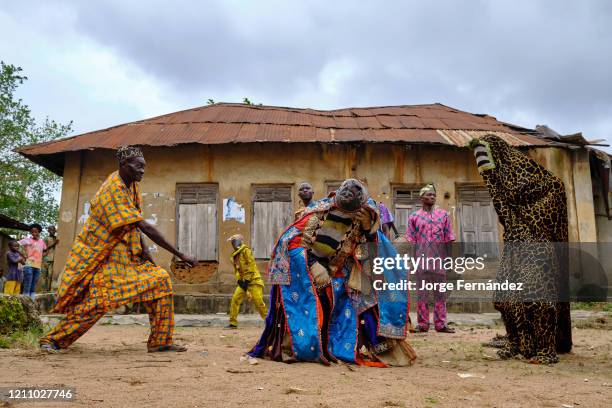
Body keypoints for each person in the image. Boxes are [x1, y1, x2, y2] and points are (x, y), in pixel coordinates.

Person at [39, 145, 196, 353]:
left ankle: (161, 340)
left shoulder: (132, 185)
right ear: (123, 164)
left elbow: (133, 222)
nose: (142, 171)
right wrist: (180, 254)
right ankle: (53, 339)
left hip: (126, 254)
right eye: (138, 166)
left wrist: (146, 254)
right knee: (101, 299)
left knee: (160, 280)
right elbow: (144, 225)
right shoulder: (113, 188)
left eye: (144, 167)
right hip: (102, 255)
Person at [250, 179, 416, 366]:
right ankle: (303, 346)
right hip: (307, 271)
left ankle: (370, 345)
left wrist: (369, 229)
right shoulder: (318, 212)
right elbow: (289, 243)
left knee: (367, 298)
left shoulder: (365, 216)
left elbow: (369, 250)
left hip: (342, 272)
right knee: (314, 304)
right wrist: (313, 265)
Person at [407, 183, 456, 333]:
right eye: (429, 195)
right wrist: (411, 261)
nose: (432, 197)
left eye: (434, 195)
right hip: (421, 262)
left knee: (440, 294)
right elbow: (411, 241)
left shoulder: (443, 215)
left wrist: (450, 260)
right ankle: (422, 324)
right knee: (422, 295)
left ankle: (441, 324)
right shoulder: (414, 217)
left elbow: (449, 238)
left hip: (439, 261)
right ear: (421, 198)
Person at [226, 234, 268, 329]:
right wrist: (240, 281)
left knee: (259, 303)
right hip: (243, 282)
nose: (233, 244)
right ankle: (233, 323)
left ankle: (269, 322)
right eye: (232, 242)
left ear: (239, 241)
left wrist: (247, 280)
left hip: (254, 281)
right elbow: (238, 270)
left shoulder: (246, 251)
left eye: (234, 241)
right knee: (235, 299)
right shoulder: (235, 254)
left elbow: (251, 266)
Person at [18, 223, 47, 300]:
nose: (34, 233)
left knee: (33, 285)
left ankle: (32, 302)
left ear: (39, 232)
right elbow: (16, 245)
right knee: (27, 284)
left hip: (38, 266)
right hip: (29, 265)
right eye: (32, 232)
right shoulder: (27, 240)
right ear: (30, 232)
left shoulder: (42, 242)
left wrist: (41, 256)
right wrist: (23, 255)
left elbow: (45, 251)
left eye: (36, 232)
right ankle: (25, 301)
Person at [42, 225, 59, 291]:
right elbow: (44, 248)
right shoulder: (46, 238)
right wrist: (54, 244)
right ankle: (43, 290)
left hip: (52, 259)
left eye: (54, 230)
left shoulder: (56, 238)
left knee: (50, 275)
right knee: (44, 276)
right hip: (46, 259)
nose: (52, 231)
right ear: (48, 230)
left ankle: (48, 290)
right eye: (51, 230)